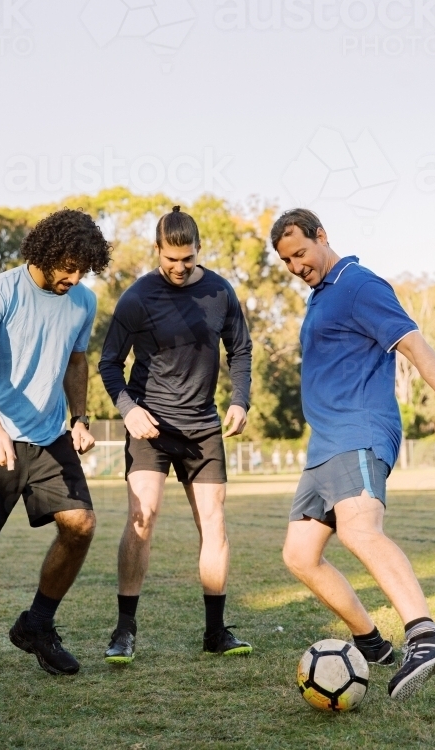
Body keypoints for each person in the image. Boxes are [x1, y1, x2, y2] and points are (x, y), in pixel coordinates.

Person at [271, 209, 435, 701]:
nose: (296, 266)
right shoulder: (322, 296)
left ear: (322, 237)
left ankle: (426, 635)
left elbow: (414, 345)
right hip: (324, 444)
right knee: (300, 555)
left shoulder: (359, 284)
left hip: (359, 430)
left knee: (360, 529)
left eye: (301, 252)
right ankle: (372, 644)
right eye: (286, 261)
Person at [0, 209, 111, 684]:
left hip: (48, 435)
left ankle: (37, 625)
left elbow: (76, 362)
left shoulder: (83, 301)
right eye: (69, 267)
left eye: (83, 269)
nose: (74, 278)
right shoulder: (0, 291)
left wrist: (78, 418)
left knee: (81, 525)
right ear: (46, 252)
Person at [99, 206, 253, 662]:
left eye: (188, 259)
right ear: (157, 250)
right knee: (141, 521)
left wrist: (240, 399)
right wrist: (128, 410)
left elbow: (240, 349)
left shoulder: (220, 291)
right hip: (151, 427)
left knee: (214, 527)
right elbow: (109, 363)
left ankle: (215, 632)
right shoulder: (137, 298)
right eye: (171, 259)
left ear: (198, 250)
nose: (180, 268)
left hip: (203, 429)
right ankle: (124, 631)